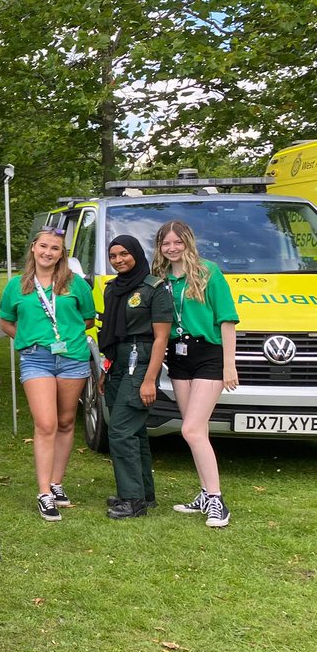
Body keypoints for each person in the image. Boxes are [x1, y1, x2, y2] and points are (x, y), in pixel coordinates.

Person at [0, 228, 95, 522]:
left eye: (55, 248)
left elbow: (87, 318)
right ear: (33, 249)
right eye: (44, 246)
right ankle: (43, 493)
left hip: (73, 359)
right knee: (46, 423)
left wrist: (66, 338)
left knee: (66, 422)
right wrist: (29, 340)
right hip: (36, 359)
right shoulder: (17, 285)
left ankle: (57, 483)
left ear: (62, 254)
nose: (48, 252)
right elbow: (6, 322)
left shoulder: (75, 284)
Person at [152, 220, 239, 528]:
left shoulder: (208, 272)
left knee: (191, 429)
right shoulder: (160, 278)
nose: (172, 248)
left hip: (208, 356)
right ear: (160, 247)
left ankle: (217, 501)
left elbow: (227, 320)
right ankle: (204, 493)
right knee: (196, 433)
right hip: (178, 357)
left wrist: (230, 364)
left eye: (178, 242)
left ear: (188, 242)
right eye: (166, 243)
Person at [97, 235, 172, 519]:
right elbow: (110, 334)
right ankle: (144, 493)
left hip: (140, 361)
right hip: (117, 362)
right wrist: (106, 369)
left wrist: (150, 379)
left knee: (120, 430)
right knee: (135, 432)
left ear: (137, 254)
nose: (119, 260)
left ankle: (132, 499)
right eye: (113, 255)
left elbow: (161, 338)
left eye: (124, 254)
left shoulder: (154, 288)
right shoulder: (112, 289)